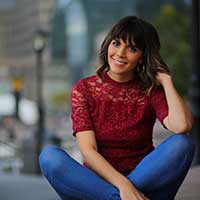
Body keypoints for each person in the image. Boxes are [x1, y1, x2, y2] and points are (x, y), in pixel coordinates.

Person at [39, 16, 195, 200]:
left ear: (143, 56)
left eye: (132, 48)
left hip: (144, 179)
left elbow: (181, 126)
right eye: (116, 43)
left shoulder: (151, 89)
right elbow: (88, 151)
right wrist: (123, 186)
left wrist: (166, 81)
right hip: (98, 184)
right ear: (107, 45)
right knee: (49, 157)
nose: (120, 53)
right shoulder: (84, 89)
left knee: (183, 144)